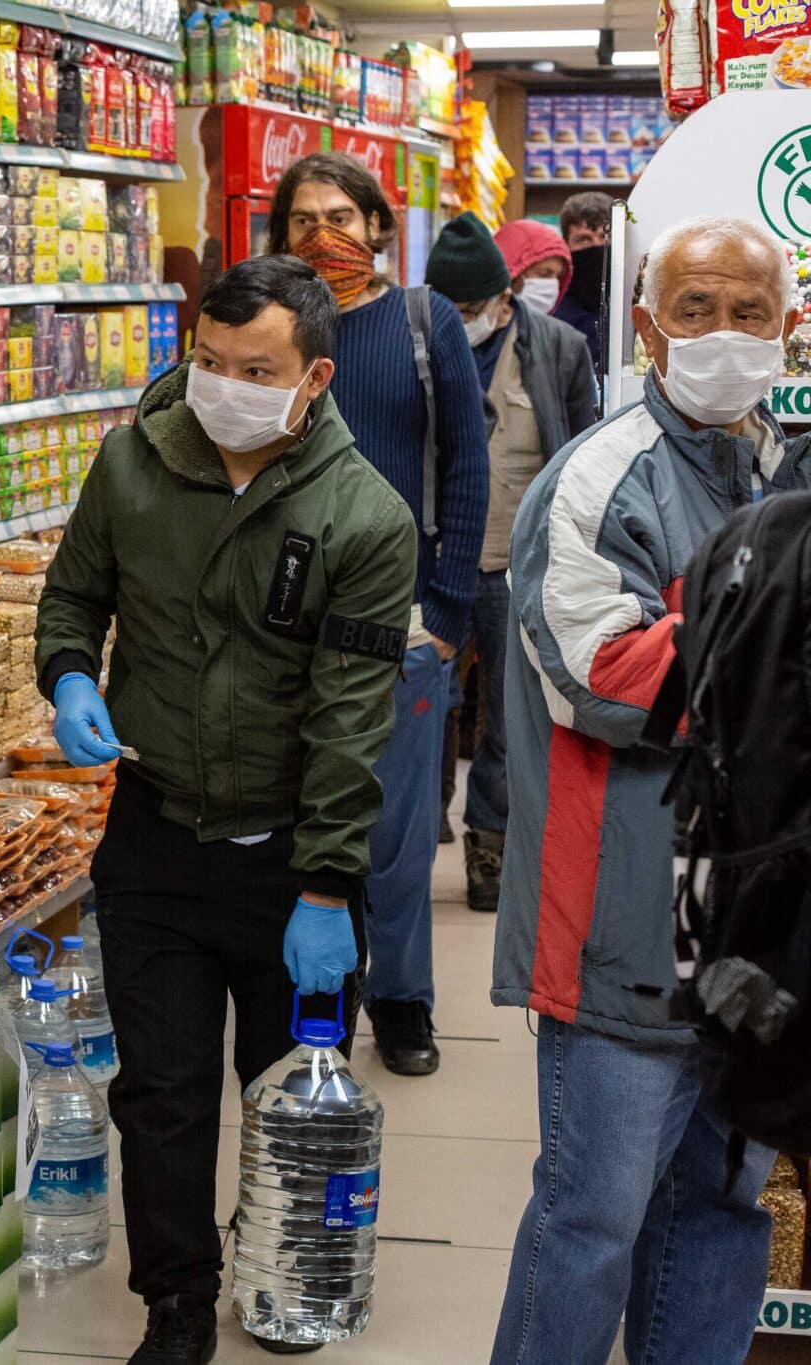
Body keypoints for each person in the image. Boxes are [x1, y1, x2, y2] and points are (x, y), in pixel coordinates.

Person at [37, 256, 415, 1365]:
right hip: (153, 832)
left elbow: (351, 720)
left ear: (313, 379)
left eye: (255, 370)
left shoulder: (363, 516)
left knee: (286, 1094)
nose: (222, 386)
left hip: (292, 852)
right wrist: (67, 674)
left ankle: (278, 1270)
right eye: (207, 361)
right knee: (159, 1093)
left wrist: (326, 887)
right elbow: (73, 592)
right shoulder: (130, 463)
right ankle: (175, 1301)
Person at [491, 214, 799, 1365]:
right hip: (616, 926)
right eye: (693, 311)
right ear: (643, 326)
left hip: (751, 931)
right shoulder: (593, 481)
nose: (722, 335)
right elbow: (602, 679)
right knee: (591, 1221)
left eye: (748, 315)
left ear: (787, 330)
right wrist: (776, 635)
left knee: (717, 1211)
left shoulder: (785, 470)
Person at [267, 152, 490, 1077]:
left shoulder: (420, 320)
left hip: (403, 622)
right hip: (287, 622)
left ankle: (401, 999)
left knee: (395, 832)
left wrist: (447, 610)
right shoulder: (269, 328)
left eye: (343, 216)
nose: (324, 235)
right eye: (303, 218)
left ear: (377, 228)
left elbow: (467, 466)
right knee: (305, 823)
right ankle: (322, 996)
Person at [421, 212, 596, 913]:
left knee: (504, 712)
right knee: (423, 702)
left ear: (503, 296)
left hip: (515, 565)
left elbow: (583, 450)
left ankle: (488, 845)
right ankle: (418, 815)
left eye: (471, 309)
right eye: (450, 308)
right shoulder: (420, 341)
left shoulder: (557, 347)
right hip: (433, 562)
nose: (461, 320)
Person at [556, 192, 614, 377]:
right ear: (565, 244)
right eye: (584, 239)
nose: (597, 246)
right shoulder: (553, 304)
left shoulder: (635, 298)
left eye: (605, 237)